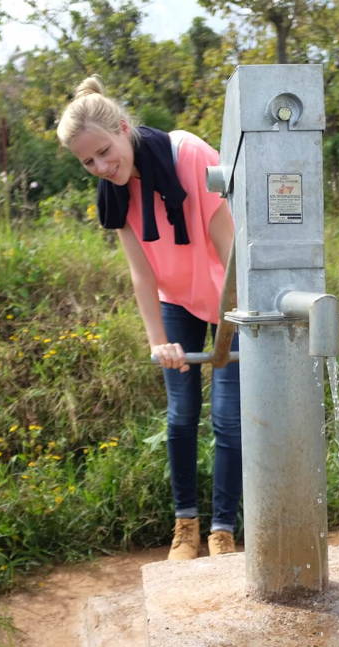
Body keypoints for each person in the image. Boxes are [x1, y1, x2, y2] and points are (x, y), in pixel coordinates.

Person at [56, 76, 241, 560]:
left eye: (104, 151)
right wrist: (158, 341)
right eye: (88, 162)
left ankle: (223, 529)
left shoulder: (188, 155)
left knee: (229, 420)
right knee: (181, 416)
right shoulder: (113, 191)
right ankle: (186, 527)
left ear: (122, 127)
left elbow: (230, 246)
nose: (101, 166)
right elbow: (142, 274)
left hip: (227, 298)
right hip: (176, 300)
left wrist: (234, 317)